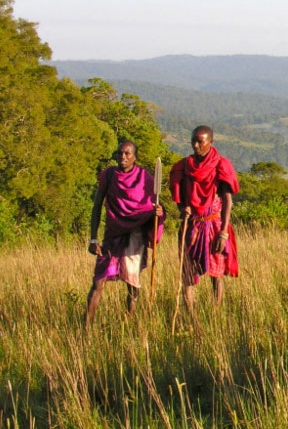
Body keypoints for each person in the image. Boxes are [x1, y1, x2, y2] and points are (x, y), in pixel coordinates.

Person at [85, 140, 164, 328]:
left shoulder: (144, 178)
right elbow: (97, 206)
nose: (123, 157)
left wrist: (159, 213)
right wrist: (93, 238)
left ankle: (127, 323)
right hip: (112, 235)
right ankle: (86, 327)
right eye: (120, 153)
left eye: (127, 153)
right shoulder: (109, 175)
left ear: (134, 157)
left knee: (132, 283)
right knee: (98, 282)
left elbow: (153, 206)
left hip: (135, 236)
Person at [169, 125, 240, 313]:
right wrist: (182, 209)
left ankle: (215, 314)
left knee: (217, 274)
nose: (196, 145)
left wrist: (223, 232)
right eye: (193, 141)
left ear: (210, 142)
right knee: (188, 274)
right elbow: (180, 198)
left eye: (200, 142)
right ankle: (191, 316)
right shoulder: (183, 166)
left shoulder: (221, 165)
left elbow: (227, 200)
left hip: (215, 224)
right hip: (193, 225)